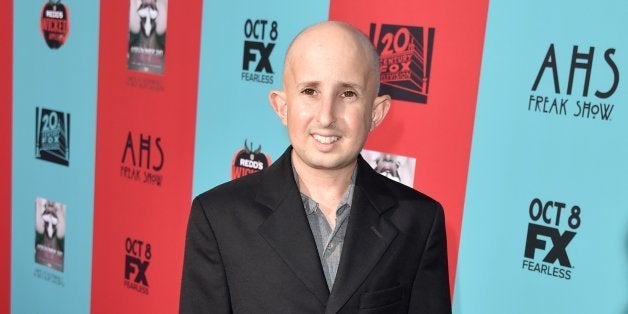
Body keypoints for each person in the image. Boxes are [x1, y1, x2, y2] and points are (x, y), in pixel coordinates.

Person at [180, 21, 451, 313]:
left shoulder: (419, 220)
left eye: (347, 94)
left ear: (376, 112)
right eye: (310, 91)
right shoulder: (219, 217)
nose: (326, 116)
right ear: (282, 106)